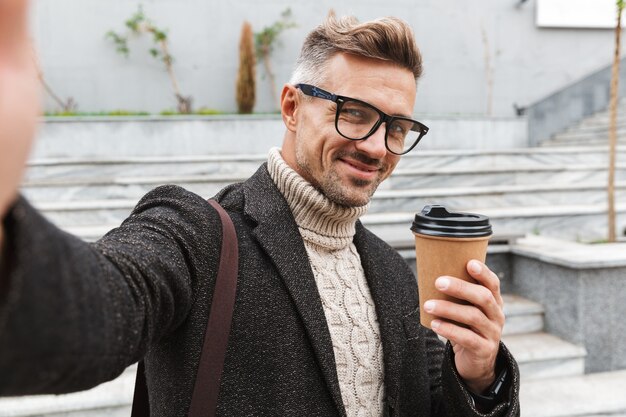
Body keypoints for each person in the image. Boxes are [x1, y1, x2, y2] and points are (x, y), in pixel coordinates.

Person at [0, 2, 520, 416]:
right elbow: (95, 309)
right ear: (292, 107)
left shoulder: (390, 271)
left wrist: (479, 375)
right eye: (354, 114)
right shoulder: (196, 232)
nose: (378, 146)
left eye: (397, 127)